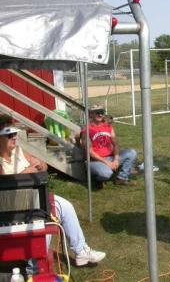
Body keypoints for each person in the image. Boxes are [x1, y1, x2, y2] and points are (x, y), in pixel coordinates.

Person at [0, 114, 105, 268]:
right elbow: (4, 182)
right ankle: (35, 265)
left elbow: (43, 166)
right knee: (43, 221)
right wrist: (28, 170)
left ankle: (81, 251)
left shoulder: (19, 151)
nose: (14, 137)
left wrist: (41, 164)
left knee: (66, 207)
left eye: (15, 133)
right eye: (9, 135)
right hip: (13, 208)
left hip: (34, 199)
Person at [81, 105, 137, 187]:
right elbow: (90, 152)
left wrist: (116, 159)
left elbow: (116, 144)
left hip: (110, 157)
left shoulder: (108, 126)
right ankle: (96, 179)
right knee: (106, 173)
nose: (100, 115)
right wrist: (107, 162)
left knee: (131, 152)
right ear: (91, 114)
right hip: (95, 161)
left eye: (102, 112)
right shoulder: (86, 130)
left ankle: (122, 178)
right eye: (97, 113)